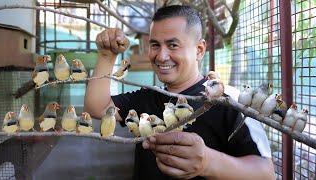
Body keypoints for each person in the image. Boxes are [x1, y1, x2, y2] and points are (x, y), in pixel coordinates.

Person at [85, 5, 275, 180]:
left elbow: (265, 173)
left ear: (199, 50)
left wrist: (208, 163)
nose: (161, 56)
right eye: (155, 45)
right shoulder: (148, 96)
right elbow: (97, 107)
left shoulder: (229, 101)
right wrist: (106, 55)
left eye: (173, 45)